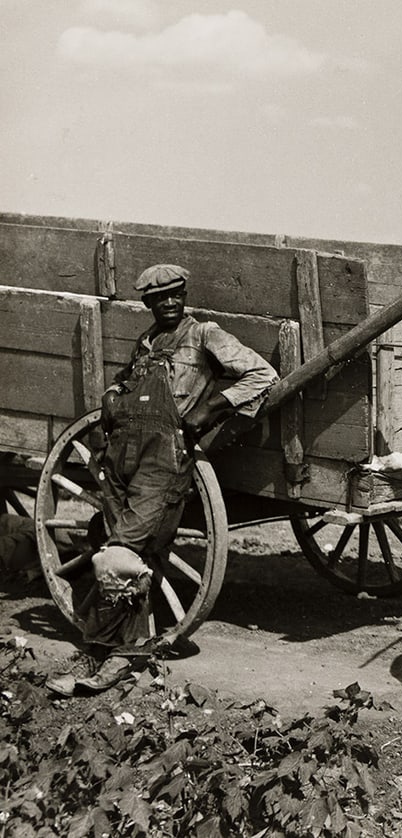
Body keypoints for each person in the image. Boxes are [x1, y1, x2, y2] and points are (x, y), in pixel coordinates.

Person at [48, 264, 279, 696]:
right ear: (148, 303)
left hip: (165, 461)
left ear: (185, 295)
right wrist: (114, 395)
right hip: (122, 458)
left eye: (177, 294)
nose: (170, 302)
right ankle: (110, 649)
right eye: (160, 298)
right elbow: (125, 382)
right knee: (122, 546)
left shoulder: (205, 335)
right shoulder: (147, 341)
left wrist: (212, 408)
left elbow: (261, 375)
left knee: (120, 557)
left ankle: (113, 658)